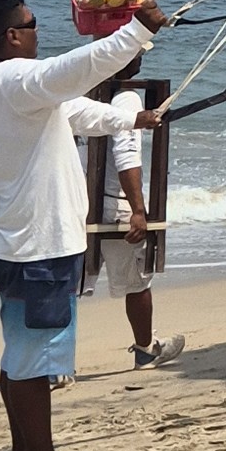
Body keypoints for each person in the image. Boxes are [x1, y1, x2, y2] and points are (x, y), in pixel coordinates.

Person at [0, 0, 169, 451]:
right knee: (35, 354)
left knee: (20, 350)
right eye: (33, 25)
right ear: (12, 36)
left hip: (13, 241)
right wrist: (140, 29)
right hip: (38, 246)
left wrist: (131, 118)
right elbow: (82, 67)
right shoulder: (17, 79)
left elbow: (71, 108)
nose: (40, 33)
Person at [84, 63, 182, 372]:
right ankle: (145, 350)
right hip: (114, 203)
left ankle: (53, 363)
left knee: (68, 284)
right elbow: (126, 155)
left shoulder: (77, 85)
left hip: (76, 200)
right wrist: (139, 210)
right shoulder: (126, 98)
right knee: (137, 283)